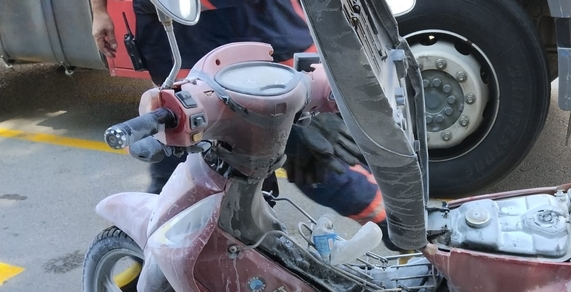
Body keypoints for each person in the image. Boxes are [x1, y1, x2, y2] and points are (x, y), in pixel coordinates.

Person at [90, 0, 391, 234]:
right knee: (180, 172)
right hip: (181, 50)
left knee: (322, 164)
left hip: (265, 40)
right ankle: (164, 261)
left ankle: (409, 239)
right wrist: (99, 11)